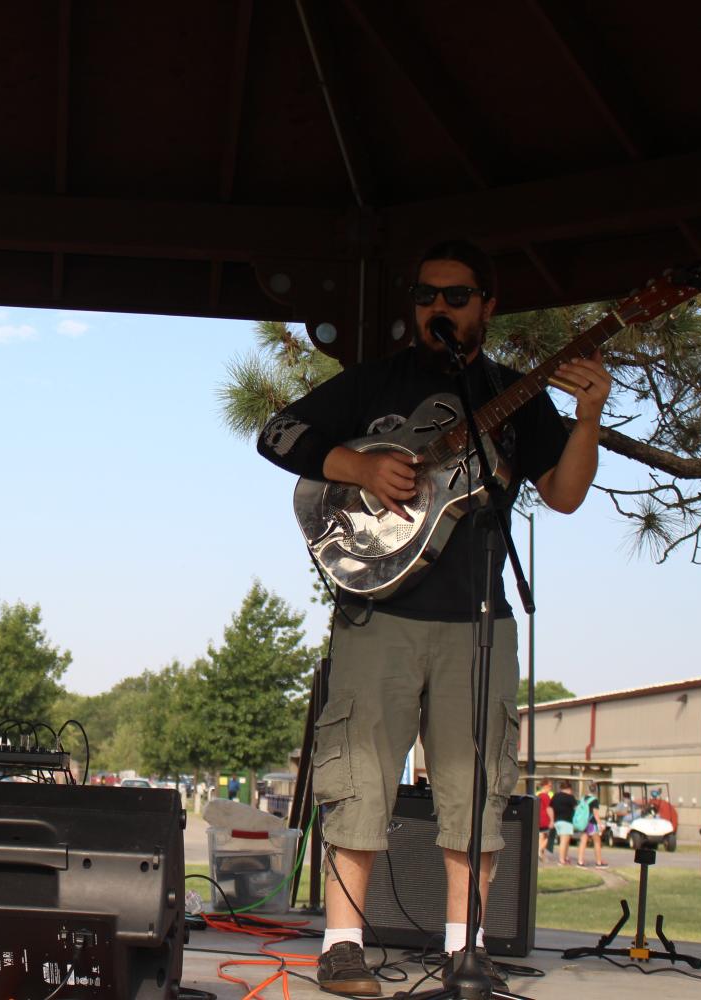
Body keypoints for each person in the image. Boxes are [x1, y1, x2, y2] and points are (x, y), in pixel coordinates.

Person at [257, 239, 608, 996]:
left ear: (487, 307)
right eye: (424, 296)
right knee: (361, 777)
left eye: (454, 297)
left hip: (480, 616)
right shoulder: (373, 384)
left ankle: (464, 949)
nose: (436, 309)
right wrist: (358, 466)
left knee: (475, 786)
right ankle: (343, 946)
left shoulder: (516, 394)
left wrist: (587, 418)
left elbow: (567, 493)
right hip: (377, 614)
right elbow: (276, 433)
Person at [551, 781, 579, 865]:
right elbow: (576, 809)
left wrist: (552, 820)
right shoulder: (570, 797)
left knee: (565, 841)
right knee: (564, 841)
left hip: (557, 821)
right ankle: (561, 860)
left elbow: (550, 808)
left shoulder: (555, 796)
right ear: (569, 789)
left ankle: (565, 857)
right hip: (566, 821)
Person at [536, 778, 555, 863]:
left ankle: (541, 855)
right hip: (545, 819)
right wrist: (552, 820)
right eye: (549, 786)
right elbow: (548, 808)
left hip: (539, 819)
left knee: (541, 837)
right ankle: (539, 851)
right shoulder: (545, 796)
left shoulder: (538, 795)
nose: (550, 788)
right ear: (545, 786)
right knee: (549, 837)